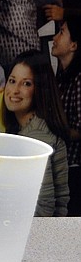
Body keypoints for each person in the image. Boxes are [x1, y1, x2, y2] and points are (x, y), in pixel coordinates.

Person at [1, 51, 70, 217]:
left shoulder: (36, 137)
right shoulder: (25, 128)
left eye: (26, 84)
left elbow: (43, 207)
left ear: (40, 89)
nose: (15, 90)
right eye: (12, 81)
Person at [52, 18, 81, 216]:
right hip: (65, 166)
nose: (55, 37)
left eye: (61, 32)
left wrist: (54, 131)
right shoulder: (61, 77)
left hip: (75, 167)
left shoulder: (79, 79)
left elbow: (79, 131)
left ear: (74, 45)